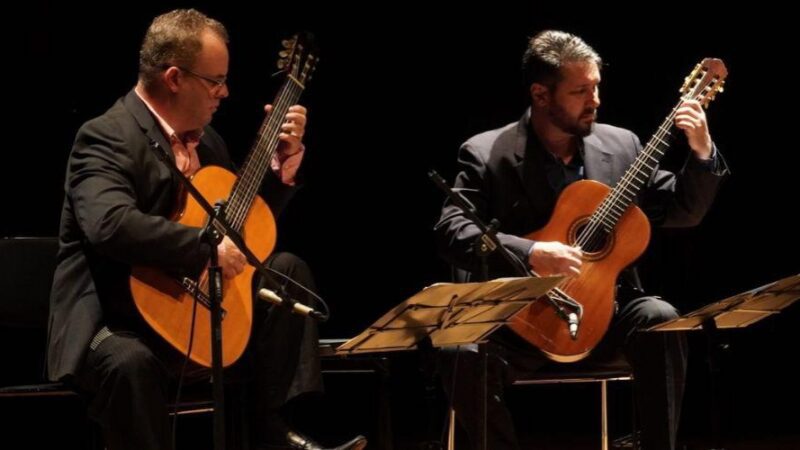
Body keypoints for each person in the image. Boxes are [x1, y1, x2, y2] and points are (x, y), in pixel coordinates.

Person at [46, 9, 366, 450]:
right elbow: (109, 225)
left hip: (193, 313)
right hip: (117, 321)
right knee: (130, 363)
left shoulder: (208, 141)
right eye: (215, 81)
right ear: (174, 77)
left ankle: (274, 432)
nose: (225, 92)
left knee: (287, 272)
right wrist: (205, 246)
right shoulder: (106, 136)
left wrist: (280, 172)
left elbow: (242, 231)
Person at [434, 30, 729, 450]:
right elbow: (452, 231)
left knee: (661, 317)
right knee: (457, 349)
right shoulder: (486, 153)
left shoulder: (622, 144)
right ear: (541, 94)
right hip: (518, 320)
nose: (595, 101)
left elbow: (683, 211)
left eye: (596, 87)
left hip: (601, 313)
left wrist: (701, 149)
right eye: (580, 91)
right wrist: (534, 252)